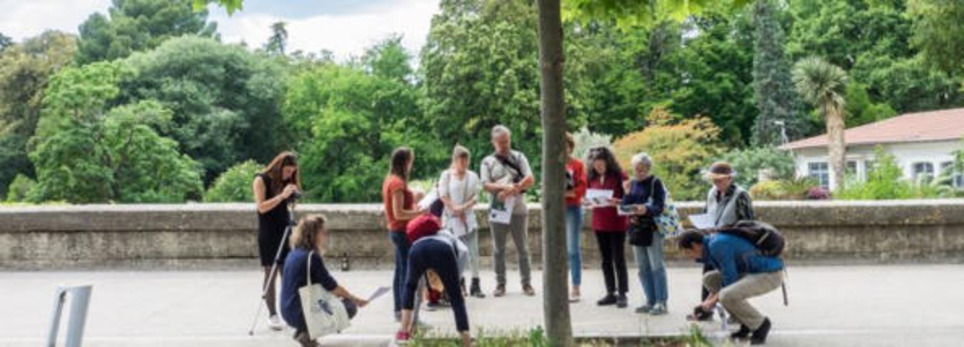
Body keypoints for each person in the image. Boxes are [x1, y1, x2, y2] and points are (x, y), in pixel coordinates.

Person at [678, 230, 784, 345]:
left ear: (695, 245)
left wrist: (711, 302)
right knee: (709, 279)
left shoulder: (717, 245)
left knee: (726, 295)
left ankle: (761, 324)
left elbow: (729, 280)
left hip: (769, 274)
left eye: (687, 252)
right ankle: (746, 322)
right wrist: (706, 303)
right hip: (751, 272)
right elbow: (724, 279)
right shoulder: (711, 246)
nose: (688, 257)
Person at [281, 215, 369, 347]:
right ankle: (307, 334)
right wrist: (355, 299)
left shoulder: (292, 253)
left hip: (287, 310)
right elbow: (332, 287)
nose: (326, 235)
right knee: (349, 307)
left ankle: (303, 331)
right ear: (314, 234)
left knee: (334, 302)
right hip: (301, 312)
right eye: (323, 232)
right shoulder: (311, 256)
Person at [396, 215, 472, 346]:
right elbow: (464, 252)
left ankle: (404, 331)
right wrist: (456, 279)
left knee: (409, 287)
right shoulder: (446, 234)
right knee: (456, 297)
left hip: (417, 251)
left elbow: (418, 290)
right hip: (443, 250)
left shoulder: (417, 241)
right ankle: (466, 339)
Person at [480, 125, 536, 297]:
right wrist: (505, 187)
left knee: (523, 248)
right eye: (501, 142)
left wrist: (514, 189)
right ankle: (500, 284)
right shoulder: (487, 161)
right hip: (498, 211)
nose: (505, 145)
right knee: (498, 249)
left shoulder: (519, 157)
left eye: (507, 141)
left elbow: (530, 179)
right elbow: (485, 185)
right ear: (493, 142)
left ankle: (526, 284)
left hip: (518, 210)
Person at [696, 161, 756, 319]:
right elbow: (707, 213)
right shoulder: (712, 193)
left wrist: (725, 229)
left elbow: (748, 224)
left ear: (730, 179)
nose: (716, 183)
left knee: (732, 279)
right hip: (712, 240)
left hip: (731, 245)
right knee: (708, 275)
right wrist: (705, 226)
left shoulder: (741, 195)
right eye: (714, 180)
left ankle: (735, 313)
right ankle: (705, 310)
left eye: (719, 180)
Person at [253, 151, 301, 330]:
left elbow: (289, 206)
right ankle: (272, 313)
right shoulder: (261, 179)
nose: (289, 175)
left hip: (285, 229)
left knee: (287, 272)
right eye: (287, 171)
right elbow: (262, 207)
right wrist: (281, 195)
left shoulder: (287, 181)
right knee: (270, 272)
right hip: (268, 232)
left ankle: (290, 311)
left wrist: (293, 195)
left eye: (292, 172)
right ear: (279, 167)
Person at [621, 153, 669, 315]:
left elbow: (659, 206)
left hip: (652, 229)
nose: (639, 173)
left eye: (642, 170)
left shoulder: (655, 183)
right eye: (636, 170)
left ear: (648, 169)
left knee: (656, 266)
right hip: (636, 230)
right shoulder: (632, 183)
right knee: (642, 268)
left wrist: (646, 209)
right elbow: (624, 207)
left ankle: (661, 302)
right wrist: (627, 194)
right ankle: (650, 300)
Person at [383, 147, 427, 321]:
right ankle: (406, 314)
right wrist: (421, 213)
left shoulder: (390, 180)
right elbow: (399, 213)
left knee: (400, 272)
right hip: (402, 231)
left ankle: (399, 312)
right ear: (405, 162)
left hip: (397, 231)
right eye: (411, 161)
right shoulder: (397, 184)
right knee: (406, 275)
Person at [439, 145, 485, 298]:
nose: (464, 165)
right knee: (457, 253)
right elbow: (443, 196)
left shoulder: (472, 176)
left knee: (473, 252)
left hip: (468, 218)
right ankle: (460, 282)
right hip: (452, 220)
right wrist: (455, 210)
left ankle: (476, 283)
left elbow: (475, 197)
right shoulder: (446, 176)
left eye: (467, 162)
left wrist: (463, 208)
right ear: (455, 160)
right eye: (461, 161)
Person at [585, 147, 629, 308]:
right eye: (595, 165)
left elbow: (628, 199)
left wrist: (616, 201)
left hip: (617, 222)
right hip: (599, 222)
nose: (598, 168)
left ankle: (623, 293)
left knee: (619, 258)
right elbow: (588, 195)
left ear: (607, 162)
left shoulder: (619, 176)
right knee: (605, 260)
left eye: (601, 165)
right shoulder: (591, 177)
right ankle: (610, 291)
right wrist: (588, 202)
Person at [564, 133, 588, 302]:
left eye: (565, 145)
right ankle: (559, 286)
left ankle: (576, 286)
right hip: (556, 210)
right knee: (558, 251)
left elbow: (582, 187)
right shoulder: (551, 164)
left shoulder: (577, 164)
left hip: (572, 207)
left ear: (570, 146)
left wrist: (568, 193)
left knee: (573, 249)